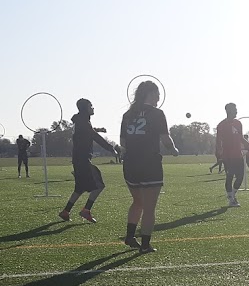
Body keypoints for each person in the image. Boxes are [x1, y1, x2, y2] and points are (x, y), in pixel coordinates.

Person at [121, 80, 178, 253]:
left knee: (137, 201)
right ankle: (145, 244)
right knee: (149, 207)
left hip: (130, 163)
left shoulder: (128, 114)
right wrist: (174, 150)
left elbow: (123, 142)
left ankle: (130, 236)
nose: (159, 98)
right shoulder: (157, 113)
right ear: (151, 94)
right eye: (157, 94)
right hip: (149, 164)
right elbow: (165, 138)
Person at [59, 98, 119, 224]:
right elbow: (93, 136)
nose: (93, 108)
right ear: (85, 108)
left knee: (79, 188)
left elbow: (88, 132)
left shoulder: (80, 121)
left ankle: (65, 211)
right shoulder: (83, 122)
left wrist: (98, 129)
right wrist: (110, 148)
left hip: (78, 159)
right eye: (90, 106)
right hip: (82, 160)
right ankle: (86, 210)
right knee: (99, 185)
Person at [216, 103, 246, 207]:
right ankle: (231, 199)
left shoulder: (238, 123)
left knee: (240, 177)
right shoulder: (221, 125)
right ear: (228, 111)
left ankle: (232, 194)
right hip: (227, 156)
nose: (237, 111)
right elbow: (218, 141)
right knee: (229, 177)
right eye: (235, 109)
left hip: (238, 155)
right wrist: (219, 155)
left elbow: (241, 138)